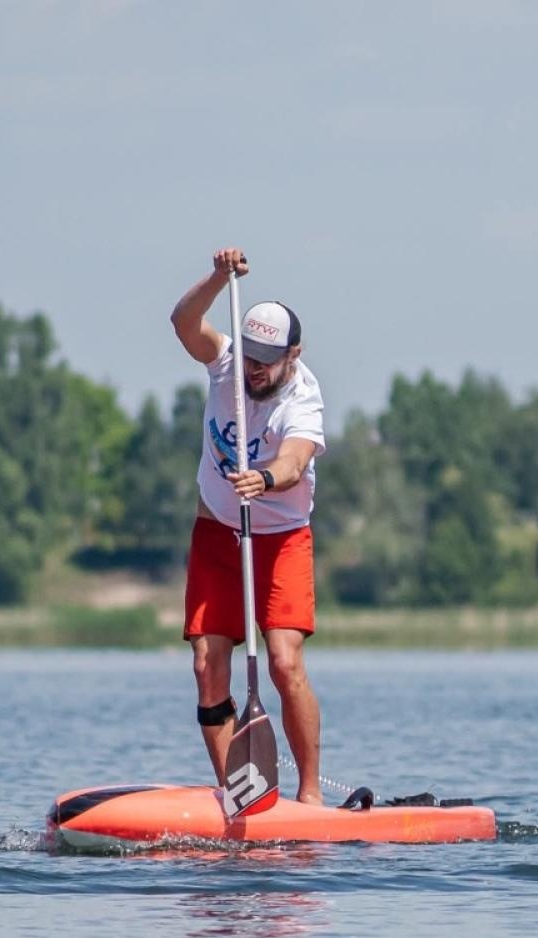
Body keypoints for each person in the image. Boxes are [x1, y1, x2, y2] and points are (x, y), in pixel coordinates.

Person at [170, 247, 327, 804]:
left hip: (281, 541)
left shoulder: (302, 400)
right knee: (208, 666)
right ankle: (240, 794)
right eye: (251, 355)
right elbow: (183, 323)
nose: (254, 368)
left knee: (283, 662)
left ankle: (309, 800)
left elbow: (296, 460)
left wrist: (265, 478)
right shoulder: (227, 365)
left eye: (267, 360)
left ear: (294, 355)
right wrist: (217, 277)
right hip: (217, 532)